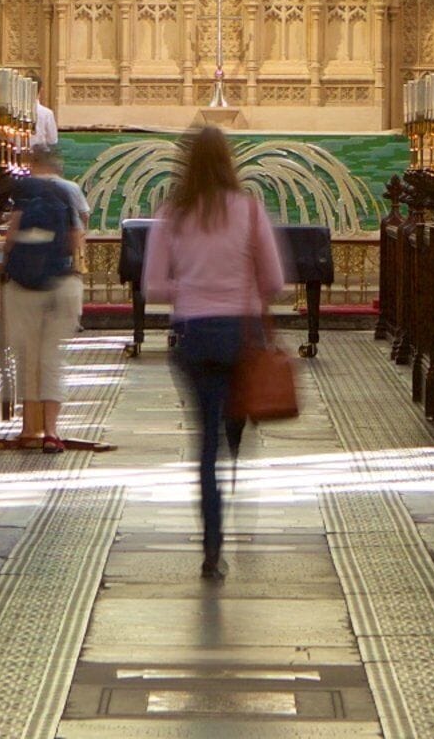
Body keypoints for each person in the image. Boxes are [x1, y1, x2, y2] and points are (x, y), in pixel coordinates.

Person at [149, 123, 284, 578]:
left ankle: (212, 546)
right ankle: (234, 439)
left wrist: (189, 288)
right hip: (240, 334)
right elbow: (275, 282)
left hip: (193, 334)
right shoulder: (248, 210)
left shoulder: (173, 213)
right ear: (229, 161)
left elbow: (152, 285)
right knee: (231, 423)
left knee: (205, 442)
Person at [0, 140, 93, 451]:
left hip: (24, 283)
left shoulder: (24, 188)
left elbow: (11, 235)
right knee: (51, 358)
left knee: (27, 357)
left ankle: (29, 429)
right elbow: (78, 237)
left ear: (31, 161)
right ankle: (52, 431)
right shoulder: (69, 189)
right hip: (60, 282)